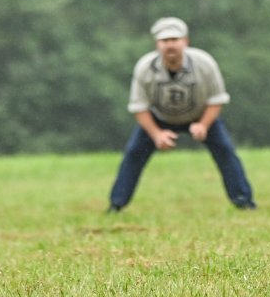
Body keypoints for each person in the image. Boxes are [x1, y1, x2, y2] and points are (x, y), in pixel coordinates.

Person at [108, 17, 257, 212]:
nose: (170, 45)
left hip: (201, 116)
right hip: (158, 119)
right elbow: (139, 107)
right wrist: (156, 135)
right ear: (157, 44)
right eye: (164, 41)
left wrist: (203, 125)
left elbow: (217, 99)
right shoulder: (145, 68)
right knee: (134, 153)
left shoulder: (204, 64)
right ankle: (117, 204)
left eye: (174, 39)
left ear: (185, 41)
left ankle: (243, 201)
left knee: (225, 151)